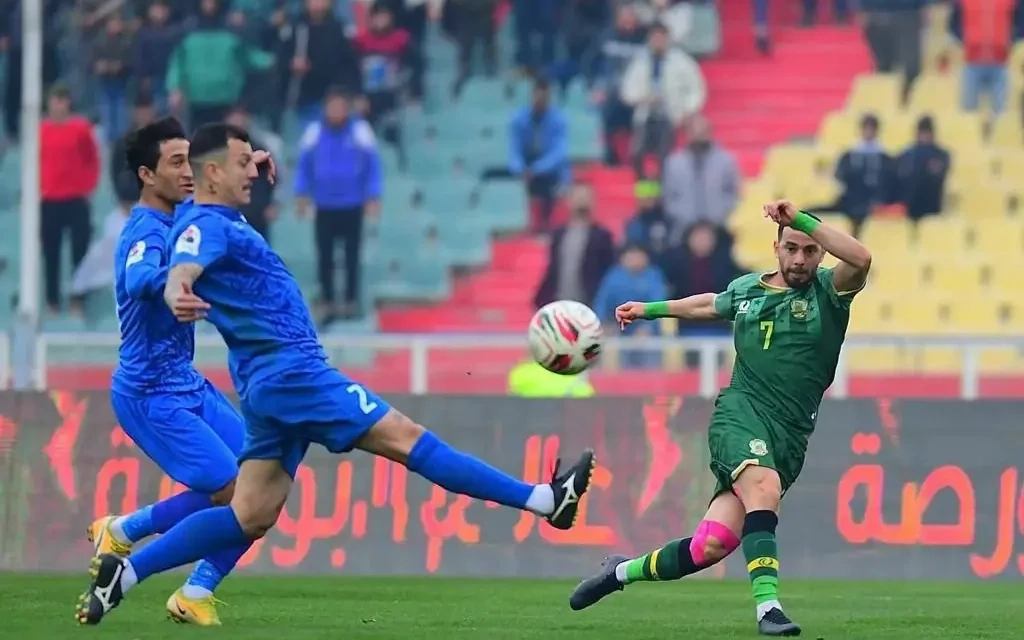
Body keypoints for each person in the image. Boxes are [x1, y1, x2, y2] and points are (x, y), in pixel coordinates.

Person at [76, 123, 597, 625]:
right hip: (296, 374)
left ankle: (127, 573)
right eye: (241, 164)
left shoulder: (202, 210)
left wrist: (247, 161)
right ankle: (544, 501)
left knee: (250, 513)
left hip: (265, 383)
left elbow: (199, 215)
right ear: (213, 173)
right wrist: (175, 288)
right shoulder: (204, 227)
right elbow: (185, 265)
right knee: (408, 439)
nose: (253, 172)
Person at [568, 201, 872, 637]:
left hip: (789, 436)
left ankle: (618, 572)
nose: (799, 259)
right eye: (791, 248)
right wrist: (650, 310)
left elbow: (861, 258)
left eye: (809, 250)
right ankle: (768, 608)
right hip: (740, 414)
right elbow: (710, 305)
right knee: (763, 487)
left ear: (822, 253)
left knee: (709, 546)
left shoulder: (830, 291)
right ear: (776, 248)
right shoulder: (748, 289)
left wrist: (802, 221)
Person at [80, 117, 274, 627]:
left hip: (186, 382)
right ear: (147, 175)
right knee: (229, 488)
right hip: (149, 394)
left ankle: (194, 589)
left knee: (266, 482)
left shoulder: (185, 214)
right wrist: (170, 283)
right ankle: (128, 535)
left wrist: (246, 163)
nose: (189, 171)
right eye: (176, 162)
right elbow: (138, 276)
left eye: (192, 160)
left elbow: (217, 198)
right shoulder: (144, 230)